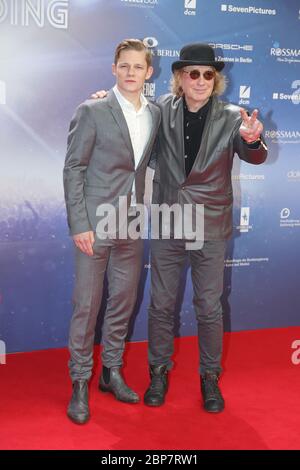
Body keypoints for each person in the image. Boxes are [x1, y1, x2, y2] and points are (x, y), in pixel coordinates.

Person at [92, 43, 267, 413]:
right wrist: (103, 102)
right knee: (161, 305)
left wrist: (253, 139)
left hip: (211, 223)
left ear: (215, 79)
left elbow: (254, 153)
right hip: (170, 218)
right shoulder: (158, 112)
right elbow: (129, 123)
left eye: (208, 74)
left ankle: (209, 377)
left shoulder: (234, 116)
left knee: (208, 306)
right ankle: (158, 371)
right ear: (180, 78)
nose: (201, 80)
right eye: (193, 73)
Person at [63, 39, 160, 424]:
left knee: (122, 301)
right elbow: (73, 169)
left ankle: (111, 372)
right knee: (86, 307)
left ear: (148, 72)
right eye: (125, 66)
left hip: (132, 221)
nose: (131, 72)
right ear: (114, 68)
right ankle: (80, 381)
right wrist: (79, 223)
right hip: (94, 223)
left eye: (138, 66)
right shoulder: (92, 110)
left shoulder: (154, 114)